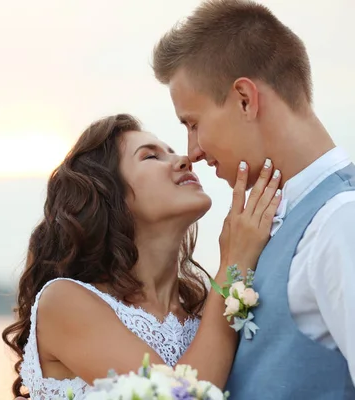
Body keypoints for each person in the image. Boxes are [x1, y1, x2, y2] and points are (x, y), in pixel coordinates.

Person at [151, 0, 355, 398]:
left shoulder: (341, 221)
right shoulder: (277, 223)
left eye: (194, 123)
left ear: (245, 99)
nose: (191, 151)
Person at [2, 113, 281, 399]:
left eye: (171, 152)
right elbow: (176, 397)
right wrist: (233, 264)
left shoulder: (202, 315)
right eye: (150, 157)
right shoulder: (64, 302)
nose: (184, 159)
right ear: (111, 196)